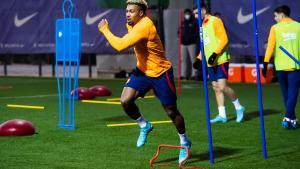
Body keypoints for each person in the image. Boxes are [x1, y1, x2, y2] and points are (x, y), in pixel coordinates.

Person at [98, 0, 191, 163]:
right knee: (125, 100)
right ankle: (144, 125)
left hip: (161, 73)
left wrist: (105, 30)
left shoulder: (145, 26)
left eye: (131, 11)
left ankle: (184, 141)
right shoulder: (132, 23)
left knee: (171, 111)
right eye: (126, 11)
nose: (127, 14)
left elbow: (120, 45)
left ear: (141, 13)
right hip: (142, 71)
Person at [193, 4, 245, 123]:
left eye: (197, 13)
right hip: (210, 61)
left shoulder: (215, 21)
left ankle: (239, 107)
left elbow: (224, 39)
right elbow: (205, 44)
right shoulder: (202, 25)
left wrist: (215, 54)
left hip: (220, 59)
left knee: (223, 86)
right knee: (216, 88)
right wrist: (199, 58)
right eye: (194, 14)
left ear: (204, 11)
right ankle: (222, 115)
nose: (195, 16)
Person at [263, 5, 300, 129]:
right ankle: (292, 118)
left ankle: (288, 117)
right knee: (292, 94)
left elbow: (270, 47)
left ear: (282, 14)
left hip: (281, 67)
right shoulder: (298, 26)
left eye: (275, 16)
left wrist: (265, 63)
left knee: (287, 94)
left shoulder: (275, 28)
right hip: (295, 67)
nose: (275, 18)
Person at [178, 8, 199, 80]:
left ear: (190, 14)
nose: (187, 15)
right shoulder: (183, 22)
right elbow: (179, 32)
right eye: (186, 14)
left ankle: (194, 74)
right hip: (183, 44)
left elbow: (197, 33)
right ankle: (184, 75)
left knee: (193, 59)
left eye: (188, 14)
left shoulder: (194, 22)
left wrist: (192, 38)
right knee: (183, 60)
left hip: (191, 44)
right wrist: (180, 37)